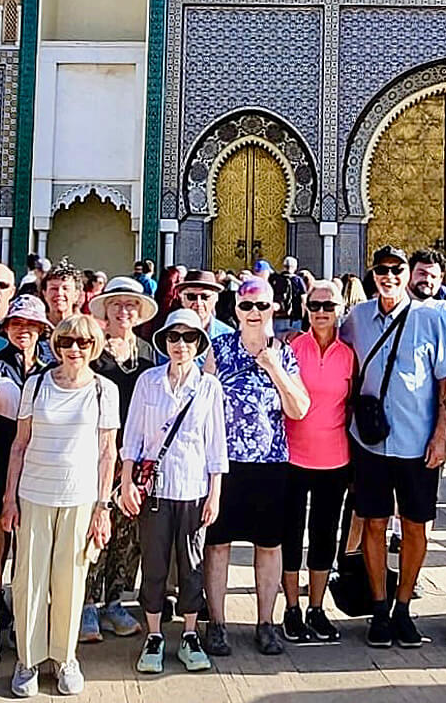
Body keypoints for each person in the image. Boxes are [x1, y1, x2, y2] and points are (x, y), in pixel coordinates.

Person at [339, 246, 446, 649]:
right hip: (369, 441)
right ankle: (379, 608)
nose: (389, 276)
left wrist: (441, 433)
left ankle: (403, 607)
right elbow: (341, 365)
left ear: (408, 274)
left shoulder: (430, 318)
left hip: (416, 441)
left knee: (414, 525)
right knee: (373, 521)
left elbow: (445, 382)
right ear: (373, 274)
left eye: (397, 269)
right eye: (382, 269)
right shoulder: (356, 319)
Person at [4, 313, 119, 698]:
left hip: (80, 496)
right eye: (66, 342)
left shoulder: (105, 390)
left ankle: (65, 657)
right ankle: (28, 658)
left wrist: (103, 507)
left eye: (83, 343)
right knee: (28, 581)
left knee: (70, 581)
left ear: (94, 347)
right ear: (55, 345)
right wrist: (9, 498)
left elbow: (107, 452)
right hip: (34, 493)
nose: (74, 350)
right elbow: (19, 445)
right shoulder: (36, 385)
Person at [203, 276, 309, 657]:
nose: (253, 313)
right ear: (235, 310)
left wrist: (272, 366)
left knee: (269, 545)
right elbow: (202, 404)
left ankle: (266, 622)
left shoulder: (285, 352)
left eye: (261, 305)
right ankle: (217, 623)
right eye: (246, 306)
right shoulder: (218, 349)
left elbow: (299, 408)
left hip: (269, 462)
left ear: (274, 308)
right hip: (225, 464)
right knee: (217, 546)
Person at [120, 308, 227, 674]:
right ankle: (153, 634)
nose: (180, 344)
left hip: (194, 487)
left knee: (191, 564)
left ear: (199, 343)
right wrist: (125, 481)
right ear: (164, 341)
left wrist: (215, 494)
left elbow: (216, 446)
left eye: (189, 337)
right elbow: (132, 436)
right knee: (154, 561)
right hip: (155, 490)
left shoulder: (209, 386)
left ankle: (190, 633)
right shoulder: (148, 382)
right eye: (173, 337)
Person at [0, 295, 54, 668]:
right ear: (5, 328)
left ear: (42, 329)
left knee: (29, 551)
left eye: (31, 325)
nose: (24, 330)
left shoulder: (53, 369)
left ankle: (24, 620)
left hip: (39, 465)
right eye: (17, 323)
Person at [81, 278, 157, 642]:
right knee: (95, 530)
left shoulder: (147, 353)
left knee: (128, 534)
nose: (124, 312)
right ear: (105, 311)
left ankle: (115, 600)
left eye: (131, 306)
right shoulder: (93, 352)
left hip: (136, 455)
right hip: (98, 453)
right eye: (117, 305)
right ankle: (86, 604)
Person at [281, 278, 354, 644]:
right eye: (315, 306)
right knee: (291, 533)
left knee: (324, 534)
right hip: (293, 456)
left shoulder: (349, 354)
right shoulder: (292, 348)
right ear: (305, 309)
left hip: (335, 458)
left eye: (329, 306)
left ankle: (316, 607)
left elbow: (353, 401)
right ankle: (291, 609)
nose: (321, 312)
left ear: (341, 309)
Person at [174, 269, 233, 353]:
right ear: (181, 299)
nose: (198, 303)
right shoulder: (170, 335)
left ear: (216, 298)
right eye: (191, 297)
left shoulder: (228, 335)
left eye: (205, 297)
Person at [270, 256, 307, 337]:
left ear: (283, 266)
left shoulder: (276, 279)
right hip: (295, 317)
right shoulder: (298, 280)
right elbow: (303, 300)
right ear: (295, 267)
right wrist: (303, 315)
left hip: (279, 316)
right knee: (294, 342)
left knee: (278, 342)